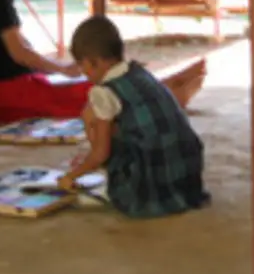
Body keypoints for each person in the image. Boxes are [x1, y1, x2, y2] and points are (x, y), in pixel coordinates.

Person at [56, 17, 208, 219]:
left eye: (83, 67)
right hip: (187, 176)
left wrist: (71, 176)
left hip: (149, 184)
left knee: (92, 118)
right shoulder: (139, 72)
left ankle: (119, 186)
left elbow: (101, 153)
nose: (84, 74)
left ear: (95, 62)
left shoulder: (104, 92)